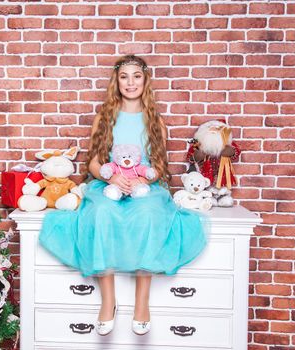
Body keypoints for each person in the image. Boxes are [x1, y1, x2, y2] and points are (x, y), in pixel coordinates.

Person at [38, 54, 209, 336]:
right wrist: (112, 176)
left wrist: (142, 177)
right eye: (124, 77)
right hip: (110, 184)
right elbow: (93, 161)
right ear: (116, 82)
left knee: (149, 214)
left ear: (145, 80)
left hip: (145, 185)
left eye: (136, 76)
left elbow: (160, 166)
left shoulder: (155, 120)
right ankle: (108, 300)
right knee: (100, 212)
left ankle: (142, 301)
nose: (130, 82)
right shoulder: (105, 117)